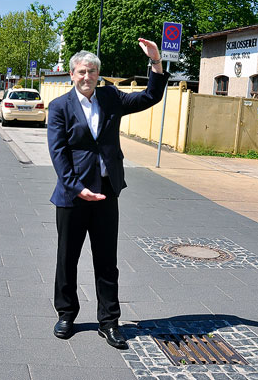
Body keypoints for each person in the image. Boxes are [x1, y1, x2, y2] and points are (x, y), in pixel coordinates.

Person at [47, 38, 168, 350]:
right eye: (81, 71)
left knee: (106, 260)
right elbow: (59, 154)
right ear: (71, 74)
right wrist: (78, 188)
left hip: (106, 193)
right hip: (73, 197)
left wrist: (155, 62)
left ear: (98, 75)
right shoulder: (60, 107)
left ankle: (109, 322)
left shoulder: (110, 97)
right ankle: (66, 314)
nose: (87, 77)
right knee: (67, 258)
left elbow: (150, 96)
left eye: (92, 72)